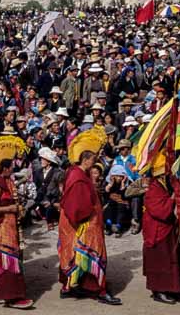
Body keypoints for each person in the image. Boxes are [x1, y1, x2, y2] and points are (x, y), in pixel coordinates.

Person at [58, 128, 121, 305]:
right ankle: (99, 290)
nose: (95, 162)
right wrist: (90, 215)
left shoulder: (75, 172)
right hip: (84, 224)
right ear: (85, 159)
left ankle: (69, 287)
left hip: (76, 223)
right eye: (93, 159)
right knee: (92, 254)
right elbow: (76, 207)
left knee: (72, 254)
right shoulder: (78, 177)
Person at [0, 140, 34, 309]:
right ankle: (12, 297)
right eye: (11, 166)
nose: (13, 169)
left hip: (0, 228)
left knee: (2, 264)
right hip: (2, 230)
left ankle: (0, 294)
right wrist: (12, 208)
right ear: (5, 168)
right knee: (6, 263)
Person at [142, 152, 180, 304]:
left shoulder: (163, 184)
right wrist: (171, 199)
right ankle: (159, 290)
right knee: (160, 260)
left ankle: (173, 284)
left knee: (171, 257)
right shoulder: (153, 189)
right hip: (157, 230)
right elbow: (160, 211)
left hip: (166, 229)